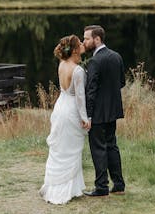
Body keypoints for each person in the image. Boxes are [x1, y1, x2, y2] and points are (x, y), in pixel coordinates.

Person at [39, 35, 91, 204]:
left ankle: (65, 187)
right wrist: (85, 118)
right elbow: (80, 98)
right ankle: (63, 191)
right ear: (75, 50)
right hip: (71, 111)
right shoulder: (78, 70)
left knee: (61, 148)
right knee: (71, 149)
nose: (83, 44)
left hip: (60, 107)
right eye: (80, 43)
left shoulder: (62, 65)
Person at [82, 25, 126, 197]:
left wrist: (88, 114)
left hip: (99, 113)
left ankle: (101, 187)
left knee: (98, 148)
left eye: (86, 38)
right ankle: (119, 184)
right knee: (111, 146)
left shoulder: (95, 61)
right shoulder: (116, 56)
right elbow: (121, 82)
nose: (84, 42)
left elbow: (91, 90)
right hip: (113, 110)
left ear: (97, 39)